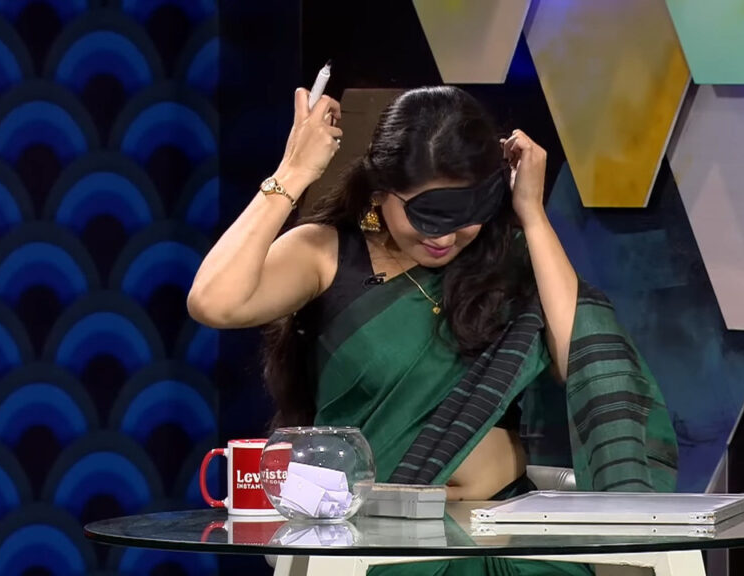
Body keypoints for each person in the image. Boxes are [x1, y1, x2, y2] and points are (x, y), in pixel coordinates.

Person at [188, 85, 679, 575]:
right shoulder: (326, 253)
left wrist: (531, 215)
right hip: (372, 546)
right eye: (427, 215)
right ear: (380, 192)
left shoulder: (508, 259)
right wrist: (293, 172)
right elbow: (214, 302)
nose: (444, 236)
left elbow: (587, 360)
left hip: (499, 536)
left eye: (466, 214)